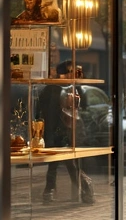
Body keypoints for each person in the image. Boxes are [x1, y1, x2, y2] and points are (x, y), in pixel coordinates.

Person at [39, 61, 94, 204]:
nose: (73, 73)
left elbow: (81, 108)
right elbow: (46, 112)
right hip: (58, 130)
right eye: (71, 71)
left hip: (66, 130)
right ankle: (54, 191)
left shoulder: (71, 88)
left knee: (68, 163)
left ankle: (64, 191)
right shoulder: (53, 89)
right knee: (58, 163)